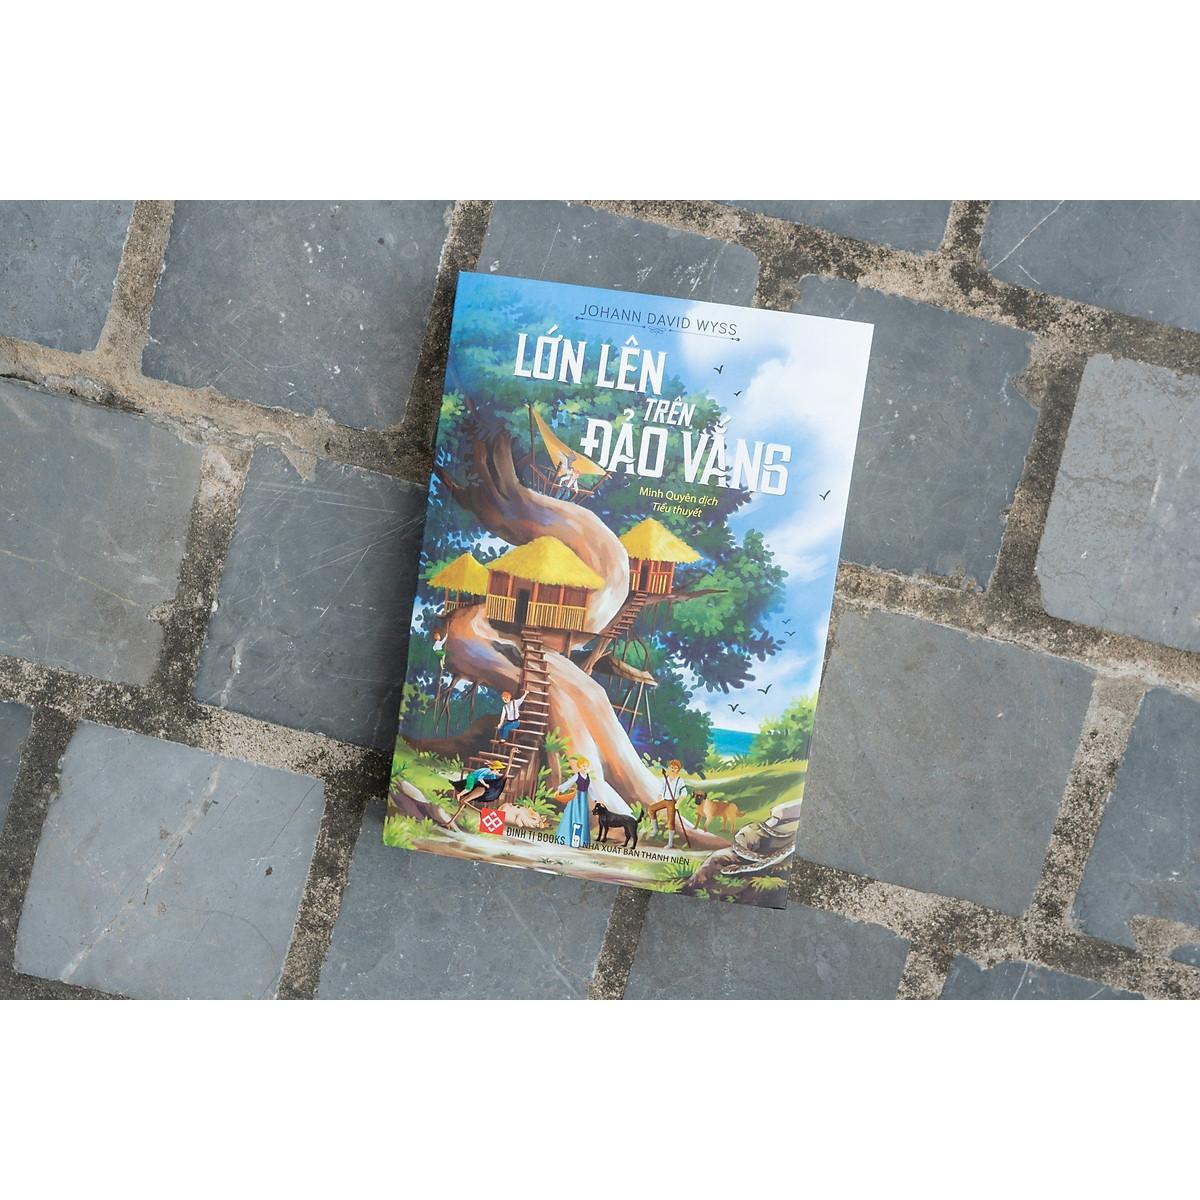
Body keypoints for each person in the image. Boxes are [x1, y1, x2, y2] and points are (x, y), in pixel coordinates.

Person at [645, 758, 690, 849]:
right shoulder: (665, 778)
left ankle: (670, 843)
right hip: (665, 800)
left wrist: (678, 803)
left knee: (670, 822)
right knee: (651, 809)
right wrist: (659, 798)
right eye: (671, 767)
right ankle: (655, 829)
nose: (673, 769)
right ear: (669, 768)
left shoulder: (679, 780)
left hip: (672, 802)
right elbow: (662, 790)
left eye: (675, 768)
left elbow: (684, 793)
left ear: (678, 770)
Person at [554, 757, 592, 848]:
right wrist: (560, 789)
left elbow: (591, 789)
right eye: (583, 766)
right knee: (574, 815)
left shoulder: (588, 776)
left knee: (582, 817)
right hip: (577, 798)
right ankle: (567, 838)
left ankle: (582, 840)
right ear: (579, 766)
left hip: (584, 798)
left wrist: (595, 799)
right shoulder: (577, 776)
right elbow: (569, 783)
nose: (585, 768)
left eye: (586, 766)